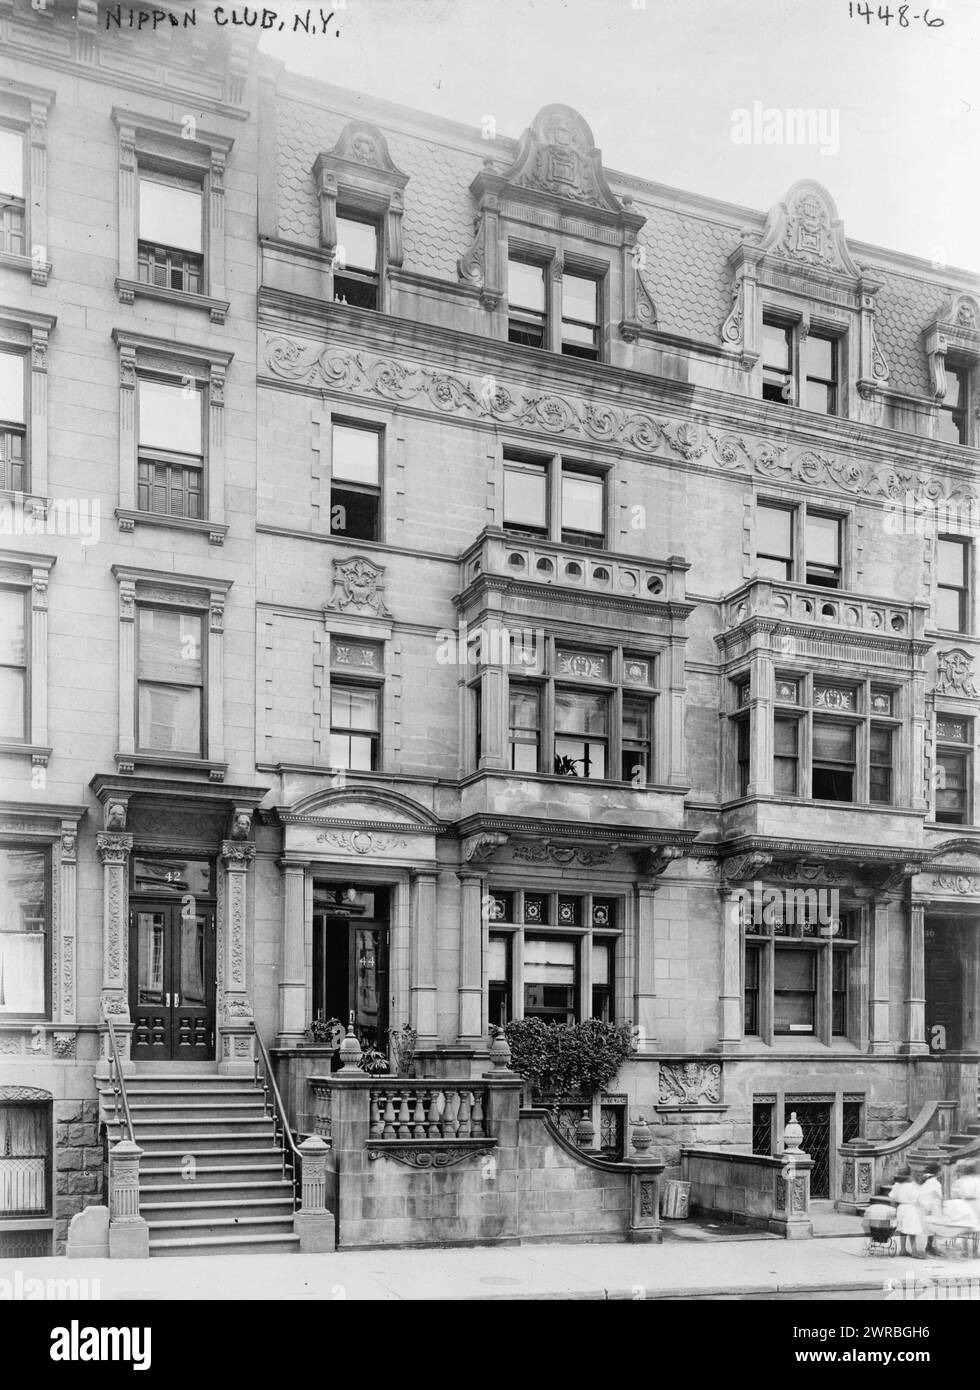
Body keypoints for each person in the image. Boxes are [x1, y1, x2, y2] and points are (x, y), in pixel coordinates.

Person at [888, 1168, 924, 1258]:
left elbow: (892, 1197)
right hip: (910, 1208)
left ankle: (903, 1249)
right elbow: (917, 1198)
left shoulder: (897, 1185)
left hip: (901, 1208)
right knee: (912, 1230)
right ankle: (914, 1251)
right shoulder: (912, 1186)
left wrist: (894, 1209)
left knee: (903, 1229)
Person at [919, 1163, 944, 1257]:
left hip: (928, 1207)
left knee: (931, 1229)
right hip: (933, 1207)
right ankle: (930, 1246)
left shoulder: (927, 1183)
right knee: (933, 1228)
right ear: (937, 1172)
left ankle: (930, 1246)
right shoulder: (935, 1183)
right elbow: (938, 1196)